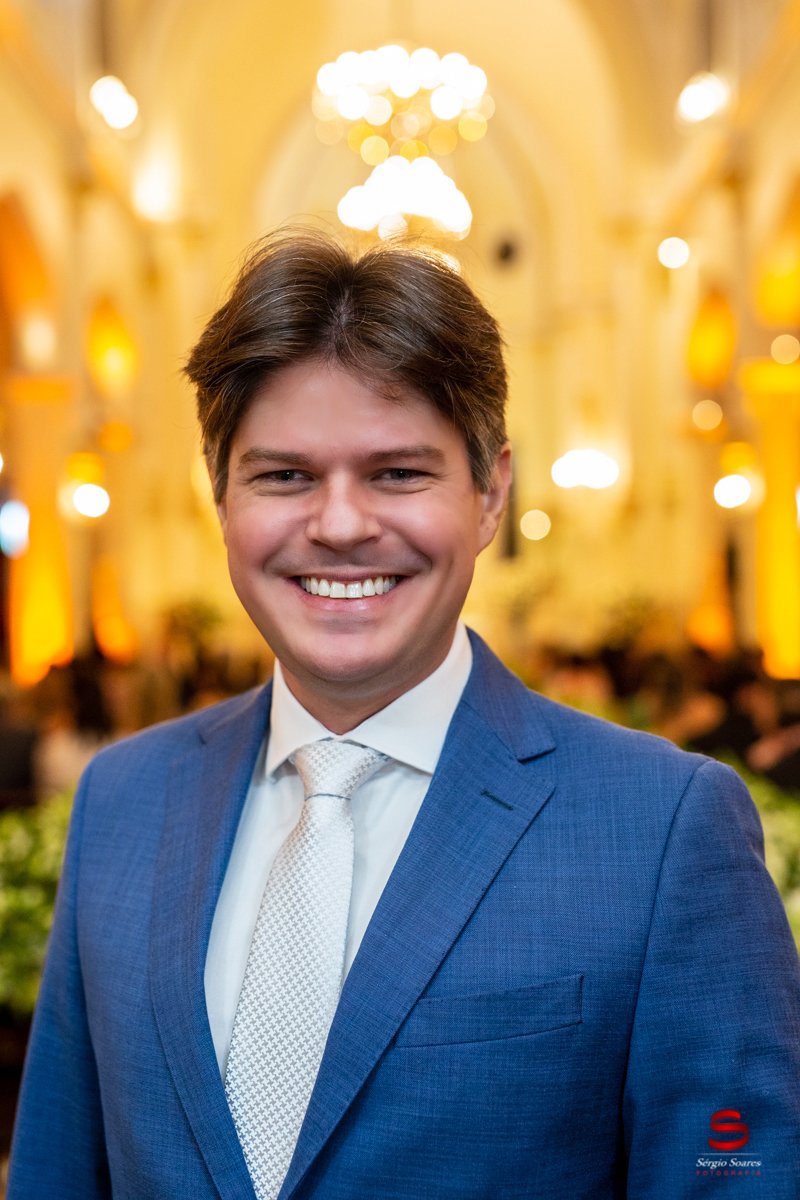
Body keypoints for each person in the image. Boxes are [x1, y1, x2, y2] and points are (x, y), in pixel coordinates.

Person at [8, 230, 800, 1199]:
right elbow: (57, 1171)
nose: (340, 525)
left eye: (397, 473)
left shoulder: (661, 826)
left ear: (489, 495)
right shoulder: (123, 801)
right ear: (219, 493)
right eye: (284, 475)